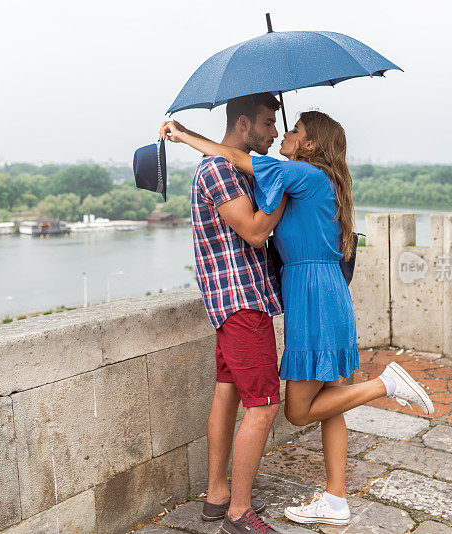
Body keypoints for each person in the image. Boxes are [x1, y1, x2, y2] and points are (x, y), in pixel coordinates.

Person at [161, 110, 434, 526]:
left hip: (314, 300)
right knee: (328, 404)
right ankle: (336, 500)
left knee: (298, 411)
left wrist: (182, 137)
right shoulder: (314, 178)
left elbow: (236, 158)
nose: (284, 133)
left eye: (293, 129)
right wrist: (188, 134)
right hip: (326, 295)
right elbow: (233, 155)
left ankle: (387, 383)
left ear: (308, 145)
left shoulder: (301, 176)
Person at [175, 92, 289, 533]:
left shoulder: (231, 165)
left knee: (227, 395)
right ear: (243, 125)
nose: (274, 133)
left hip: (235, 302)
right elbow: (256, 231)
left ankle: (217, 495)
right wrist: (285, 189)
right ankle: (239, 514)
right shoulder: (220, 170)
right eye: (266, 123)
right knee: (263, 405)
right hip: (241, 303)